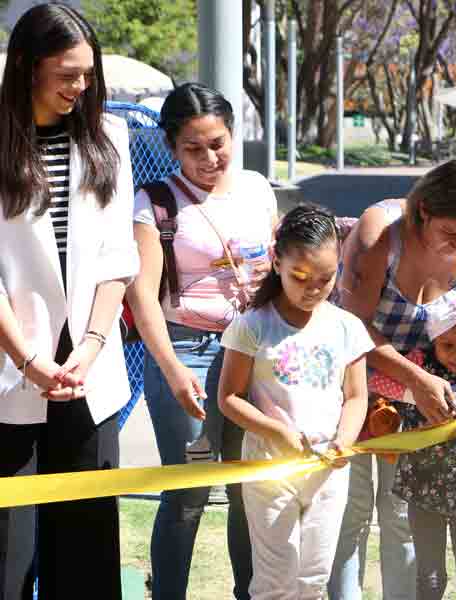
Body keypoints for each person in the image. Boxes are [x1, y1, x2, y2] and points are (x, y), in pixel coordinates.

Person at [0, 4, 138, 599]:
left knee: (86, 556)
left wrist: (91, 344)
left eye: (87, 74)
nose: (80, 88)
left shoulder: (109, 135)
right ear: (28, 67)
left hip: (89, 372)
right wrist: (28, 359)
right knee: (10, 553)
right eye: (66, 75)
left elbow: (117, 257)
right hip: (11, 372)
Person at [328, 159, 456, 600]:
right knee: (349, 513)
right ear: (423, 210)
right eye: (451, 234)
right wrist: (414, 378)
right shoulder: (380, 234)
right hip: (354, 390)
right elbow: (352, 324)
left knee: (402, 517)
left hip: (422, 409)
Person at [126, 82, 278, 600]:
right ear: (171, 148)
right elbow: (142, 294)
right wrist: (172, 368)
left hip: (251, 352)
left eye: (218, 143)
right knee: (188, 492)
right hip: (185, 352)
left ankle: (249, 593)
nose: (210, 158)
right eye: (193, 148)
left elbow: (280, 268)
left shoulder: (257, 188)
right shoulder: (154, 202)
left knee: (246, 487)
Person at [217, 203, 371, 600]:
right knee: (275, 583)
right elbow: (229, 398)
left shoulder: (346, 327)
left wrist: (345, 439)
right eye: (300, 277)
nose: (313, 289)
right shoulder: (252, 326)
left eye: (325, 278)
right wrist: (277, 431)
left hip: (328, 471)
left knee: (313, 580)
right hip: (270, 469)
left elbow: (356, 396)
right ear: (276, 261)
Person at [367, 290, 456, 600]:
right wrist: (411, 395)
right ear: (434, 340)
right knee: (429, 578)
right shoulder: (418, 365)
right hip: (422, 489)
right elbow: (375, 381)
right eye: (448, 345)